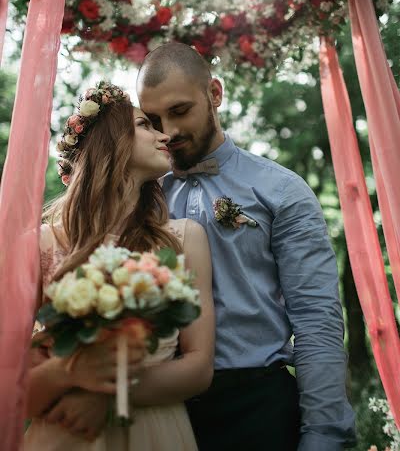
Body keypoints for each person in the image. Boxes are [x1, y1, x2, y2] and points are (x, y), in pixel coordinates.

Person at [135, 42, 357, 451]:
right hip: (159, 411)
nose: (168, 131)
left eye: (180, 111)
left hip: (257, 408)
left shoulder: (281, 190)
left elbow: (315, 317)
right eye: (152, 120)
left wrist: (325, 433)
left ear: (214, 94)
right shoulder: (136, 199)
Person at [25, 81, 214, 450]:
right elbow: (15, 387)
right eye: (145, 125)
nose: (164, 137)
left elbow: (198, 367)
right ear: (109, 141)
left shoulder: (183, 239)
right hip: (65, 433)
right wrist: (68, 372)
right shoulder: (41, 244)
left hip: (154, 430)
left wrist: (105, 395)